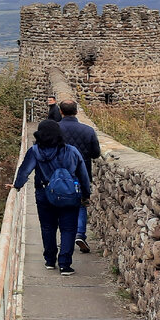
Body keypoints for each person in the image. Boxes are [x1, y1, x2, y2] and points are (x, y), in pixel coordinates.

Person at [10, 119, 91, 276]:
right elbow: (83, 174)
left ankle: (49, 260)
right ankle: (65, 265)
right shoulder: (71, 151)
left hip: (44, 194)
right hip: (69, 195)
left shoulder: (35, 151)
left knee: (48, 227)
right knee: (68, 229)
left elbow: (25, 171)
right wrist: (85, 194)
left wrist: (17, 185)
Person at [57, 100, 101, 253]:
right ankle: (80, 234)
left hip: (60, 175)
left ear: (61, 112)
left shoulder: (54, 130)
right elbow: (96, 153)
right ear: (76, 112)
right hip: (82, 174)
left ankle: (65, 238)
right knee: (81, 204)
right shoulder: (88, 130)